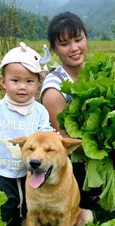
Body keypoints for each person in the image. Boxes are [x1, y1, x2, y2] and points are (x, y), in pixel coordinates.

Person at [0, 42, 53, 226]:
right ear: (3, 82)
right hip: (1, 169)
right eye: (15, 80)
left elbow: (45, 134)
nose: (22, 87)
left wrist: (53, 137)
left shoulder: (40, 111)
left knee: (29, 203)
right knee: (5, 204)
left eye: (29, 82)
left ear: (38, 84)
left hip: (29, 171)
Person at [40, 12, 100, 209]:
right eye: (65, 43)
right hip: (73, 159)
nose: (74, 48)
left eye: (78, 39)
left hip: (94, 149)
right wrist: (106, 144)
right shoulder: (53, 90)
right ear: (55, 49)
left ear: (86, 38)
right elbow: (67, 143)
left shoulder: (94, 73)